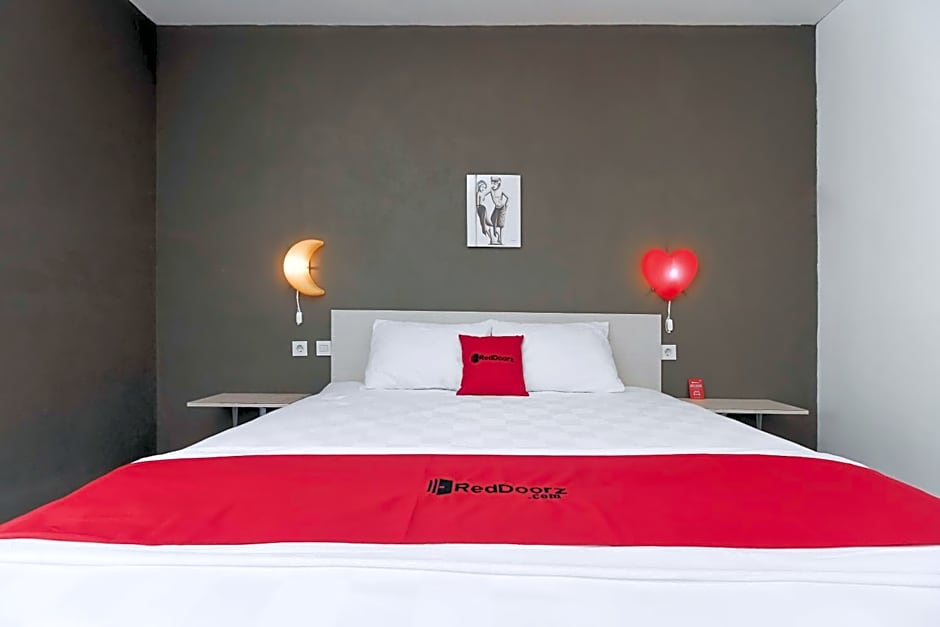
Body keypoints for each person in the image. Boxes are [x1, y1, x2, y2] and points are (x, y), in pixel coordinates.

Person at [486, 176, 509, 245]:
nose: (493, 185)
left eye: (494, 183)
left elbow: (508, 197)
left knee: (501, 224)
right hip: (496, 208)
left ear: (498, 183)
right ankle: (495, 238)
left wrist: (506, 205)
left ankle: (501, 240)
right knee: (492, 221)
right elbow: (484, 193)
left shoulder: (501, 189)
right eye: (492, 183)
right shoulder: (491, 190)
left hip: (502, 208)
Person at [475, 180, 493, 245]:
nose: (483, 188)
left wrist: (477, 210)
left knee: (483, 223)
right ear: (479, 186)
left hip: (481, 208)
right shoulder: (480, 193)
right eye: (482, 187)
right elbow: (477, 203)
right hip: (482, 208)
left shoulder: (479, 193)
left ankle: (491, 238)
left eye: (484, 187)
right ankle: (491, 238)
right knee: (484, 223)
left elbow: (477, 204)